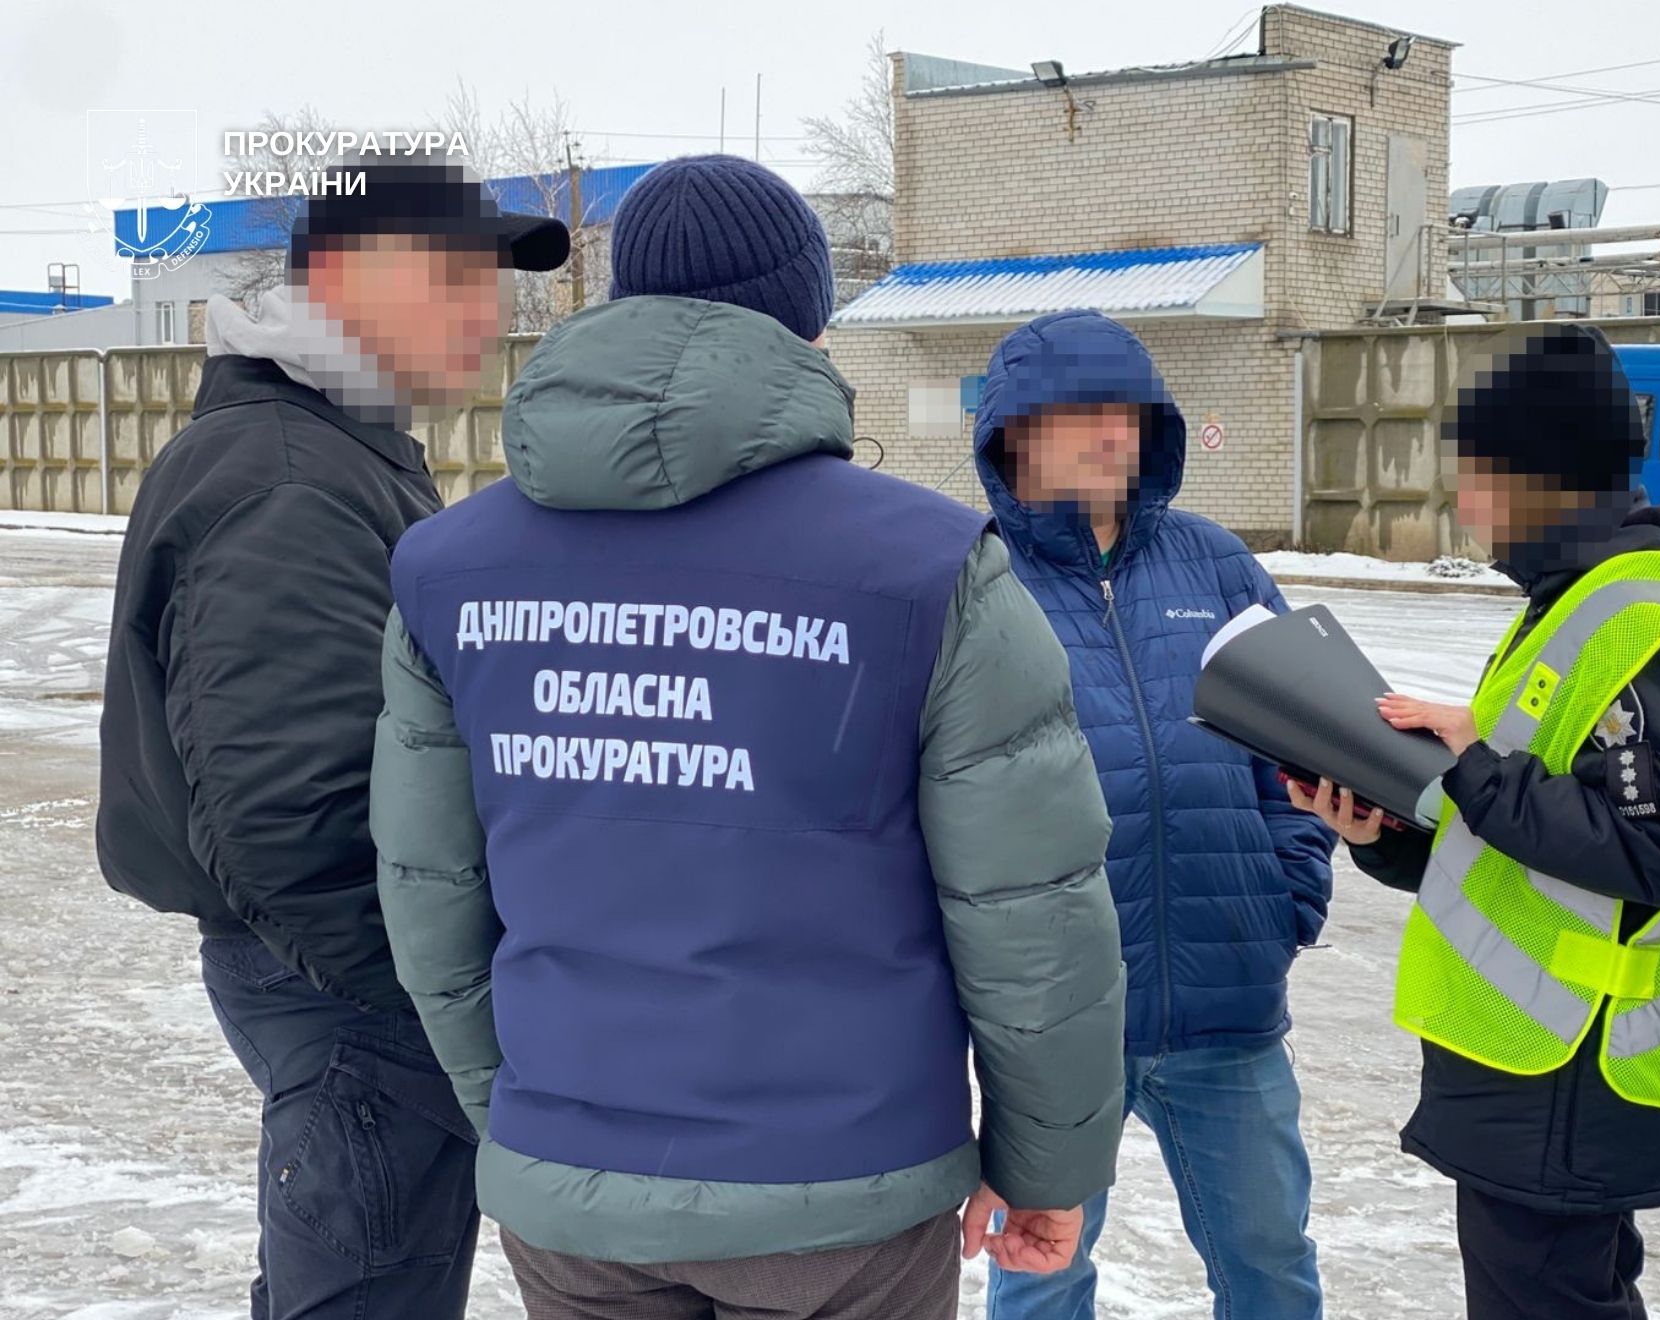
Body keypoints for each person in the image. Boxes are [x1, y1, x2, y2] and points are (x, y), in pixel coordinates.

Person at [368, 156, 1127, 1320]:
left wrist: (523, 1118)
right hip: (843, 1197)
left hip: (572, 1198)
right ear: (809, 325)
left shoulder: (445, 572)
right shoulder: (926, 568)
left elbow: (432, 899)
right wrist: (1045, 1166)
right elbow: (1031, 912)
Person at [95, 157, 569, 1319]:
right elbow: (288, 813)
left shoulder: (324, 447)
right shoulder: (289, 475)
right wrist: (434, 1002)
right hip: (350, 990)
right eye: (461, 282)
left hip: (340, 979)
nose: (489, 316)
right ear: (357, 279)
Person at [1293, 323, 1660, 1320]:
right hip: (1545, 1073)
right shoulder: (1577, 601)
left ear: (1540, 478)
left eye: (1476, 475)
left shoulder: (1637, 619)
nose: (1465, 502)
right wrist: (1387, 834)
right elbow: (1537, 843)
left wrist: (1477, 770)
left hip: (1573, 1070)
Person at [973, 309, 1337, 1320]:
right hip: (1059, 1025)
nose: (1111, 434)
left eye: (1128, 413)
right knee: (1041, 1278)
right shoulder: (974, 579)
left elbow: (1304, 741)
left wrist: (1287, 894)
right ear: (1015, 432)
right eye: (1081, 412)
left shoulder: (1215, 564)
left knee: (1271, 1266)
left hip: (1229, 1003)